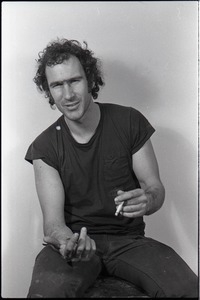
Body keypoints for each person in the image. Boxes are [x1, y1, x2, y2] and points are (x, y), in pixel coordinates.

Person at [25, 38, 198, 298]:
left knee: (188, 290)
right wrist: (67, 242)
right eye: (57, 85)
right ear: (49, 92)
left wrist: (148, 199)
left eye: (74, 80)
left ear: (90, 80)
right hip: (75, 243)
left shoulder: (129, 121)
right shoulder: (44, 146)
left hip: (129, 242)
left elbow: (155, 189)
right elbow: (53, 226)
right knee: (45, 294)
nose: (68, 94)